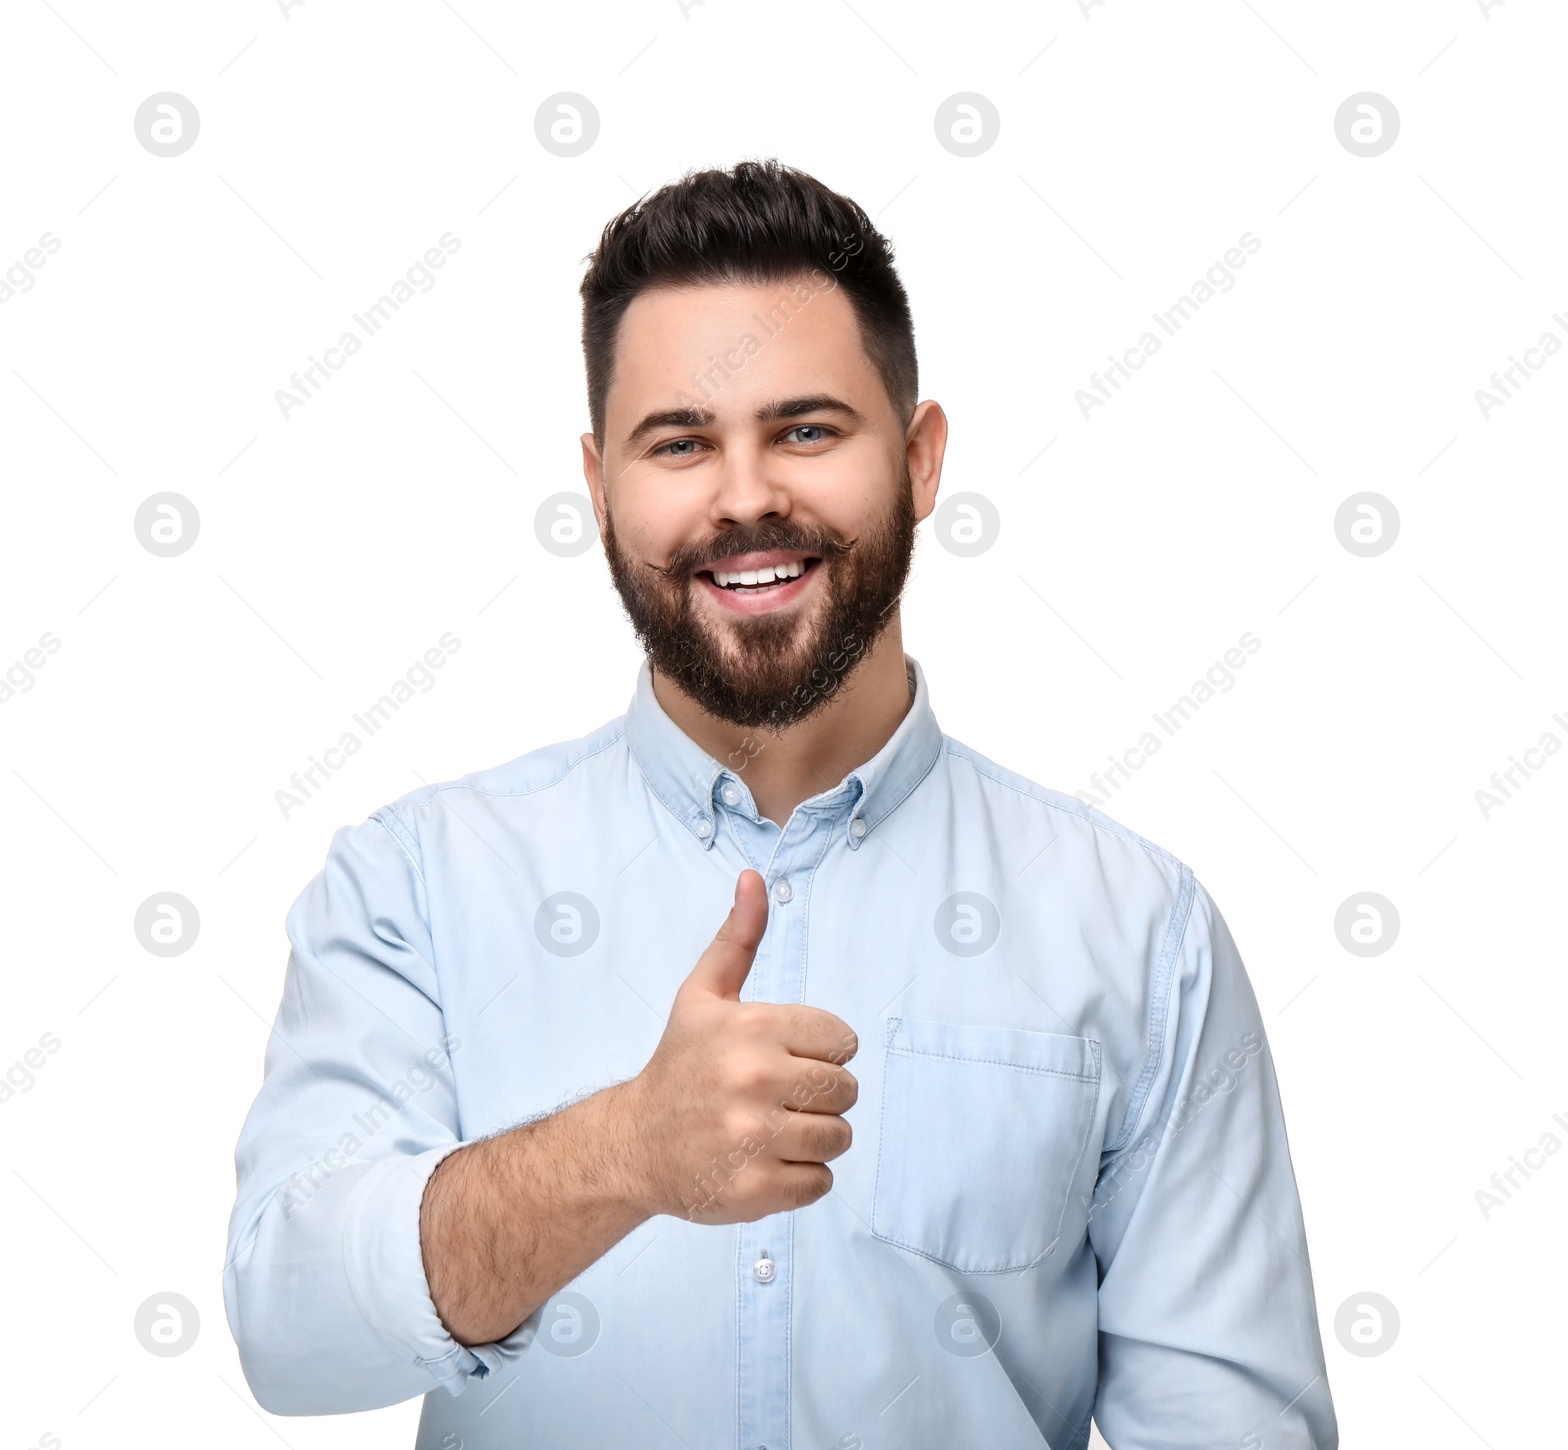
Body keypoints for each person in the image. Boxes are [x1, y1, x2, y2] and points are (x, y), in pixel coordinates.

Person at [224, 158, 1339, 1450]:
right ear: (599, 488)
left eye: (806, 429)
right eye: (681, 441)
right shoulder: (417, 879)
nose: (746, 495)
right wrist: (623, 1153)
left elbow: (1230, 1428)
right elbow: (290, 1327)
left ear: (920, 459)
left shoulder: (1139, 927)